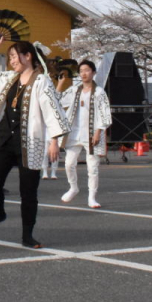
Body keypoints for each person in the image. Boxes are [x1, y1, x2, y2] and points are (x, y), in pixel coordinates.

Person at [0, 32, 69, 248]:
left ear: (28, 56)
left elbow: (52, 110)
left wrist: (54, 140)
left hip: (29, 142)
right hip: (5, 139)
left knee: (28, 192)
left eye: (15, 56)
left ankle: (28, 235)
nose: (12, 61)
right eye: (10, 58)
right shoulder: (9, 78)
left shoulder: (41, 81)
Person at [59, 60, 112, 207]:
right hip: (74, 133)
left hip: (91, 134)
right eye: (81, 70)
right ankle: (73, 187)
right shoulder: (74, 90)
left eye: (87, 70)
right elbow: (57, 101)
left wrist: (98, 132)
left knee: (92, 167)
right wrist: (60, 84)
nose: (83, 73)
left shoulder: (100, 92)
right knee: (69, 163)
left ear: (93, 72)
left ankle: (92, 197)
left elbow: (104, 114)